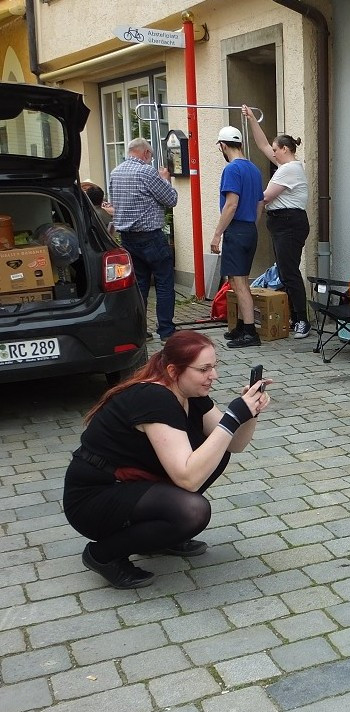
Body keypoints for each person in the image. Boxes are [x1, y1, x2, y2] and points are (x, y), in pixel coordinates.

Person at [62, 331, 271, 589]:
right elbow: (188, 478)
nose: (213, 376)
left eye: (214, 367)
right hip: (94, 499)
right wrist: (232, 417)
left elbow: (234, 443)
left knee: (217, 452)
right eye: (204, 369)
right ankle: (102, 555)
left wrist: (250, 413)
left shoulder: (190, 393)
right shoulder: (154, 398)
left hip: (128, 486)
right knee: (192, 512)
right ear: (173, 371)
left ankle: (162, 537)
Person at [242, 105, 312, 339]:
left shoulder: (288, 170)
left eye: (275, 149)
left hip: (289, 223)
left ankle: (302, 319)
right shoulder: (287, 166)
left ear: (284, 149)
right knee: (285, 270)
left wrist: (245, 193)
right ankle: (295, 316)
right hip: (283, 223)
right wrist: (252, 118)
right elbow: (262, 144)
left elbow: (265, 197)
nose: (271, 152)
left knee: (289, 271)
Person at [109, 138, 178, 341]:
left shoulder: (115, 173)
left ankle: (139, 330)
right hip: (151, 237)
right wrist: (165, 178)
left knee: (138, 286)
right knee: (164, 282)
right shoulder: (146, 172)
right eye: (151, 157)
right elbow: (171, 199)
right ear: (146, 153)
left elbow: (115, 204)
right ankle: (166, 330)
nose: (151, 161)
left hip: (127, 238)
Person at [212, 125, 265, 349]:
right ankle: (243, 326)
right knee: (235, 279)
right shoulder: (254, 169)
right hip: (249, 229)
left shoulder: (232, 169)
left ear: (223, 146)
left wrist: (217, 235)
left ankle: (250, 332)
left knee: (240, 282)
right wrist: (252, 224)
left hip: (236, 229)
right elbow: (260, 202)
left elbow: (231, 204)